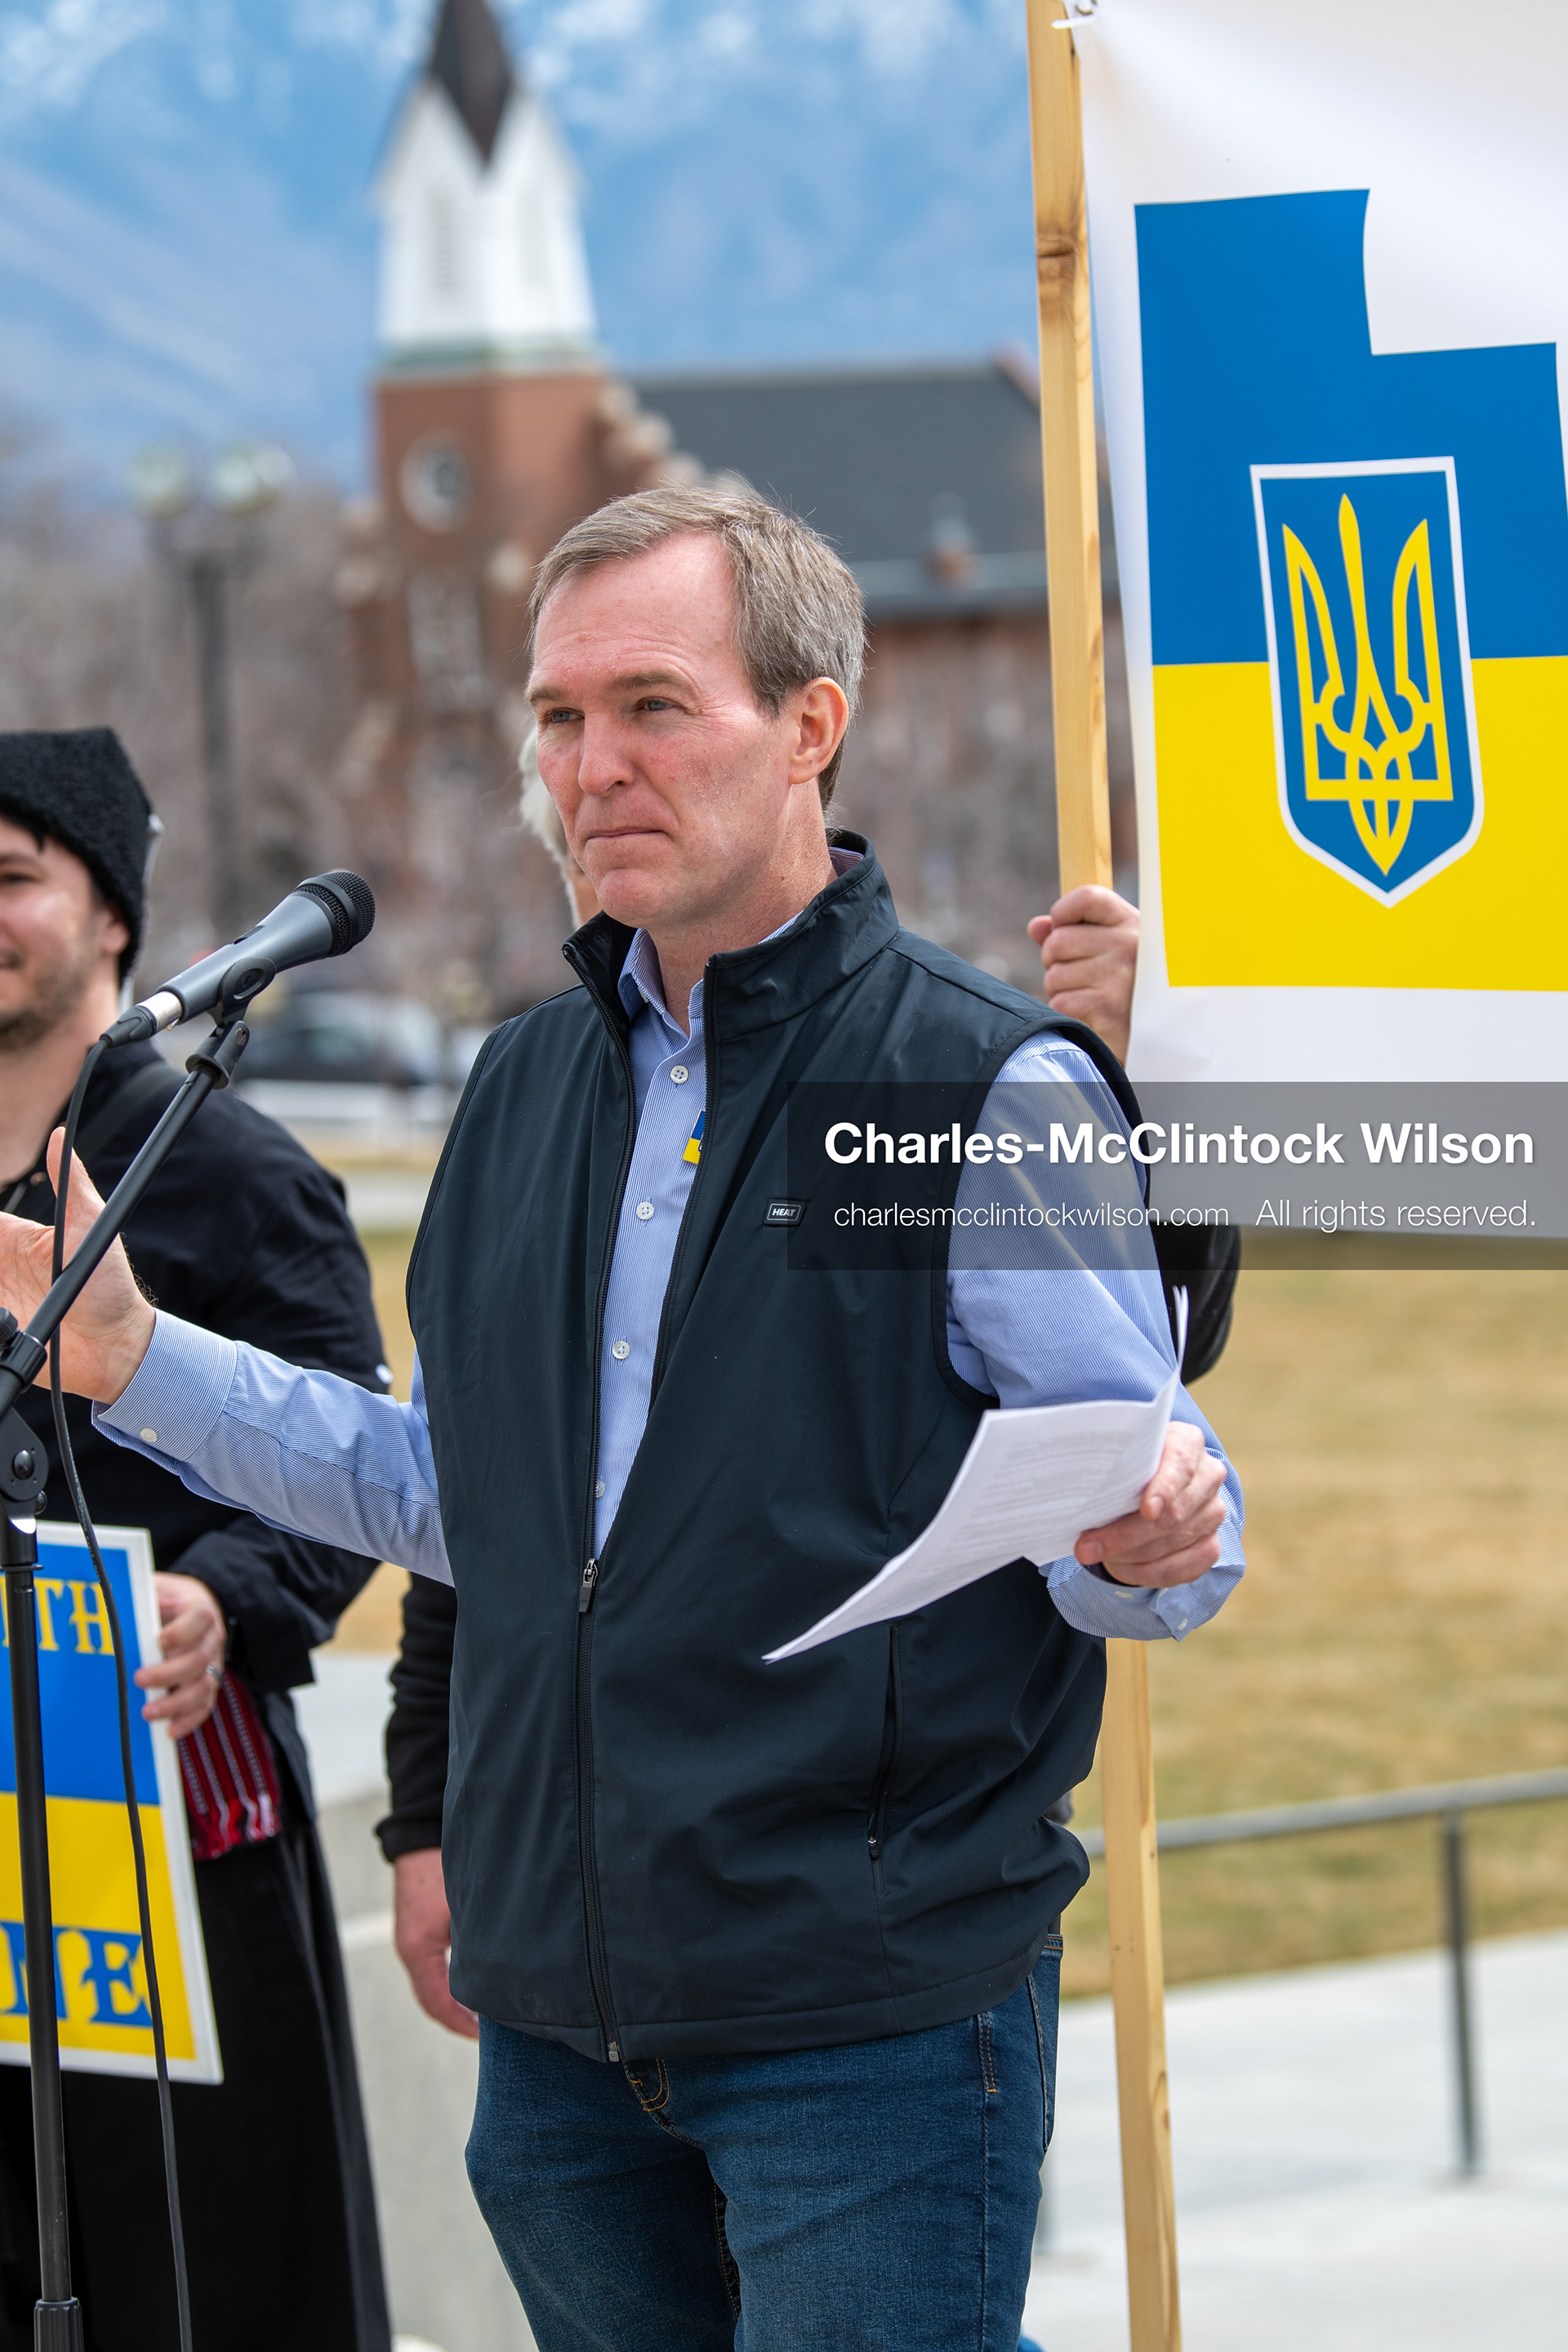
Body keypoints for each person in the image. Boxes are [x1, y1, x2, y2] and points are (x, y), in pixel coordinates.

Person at [2, 490, 1245, 2352]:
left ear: (809, 726)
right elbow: (451, 1503)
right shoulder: (517, 1091)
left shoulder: (970, 1082)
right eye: (560, 718)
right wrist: (137, 1357)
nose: (593, 767)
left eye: (654, 707)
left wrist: (1156, 1540)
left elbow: (1145, 1526)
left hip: (865, 2022)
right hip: (565, 2041)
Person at [0, 732, 393, 2352]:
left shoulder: (232, 1172)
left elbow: (354, 1457)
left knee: (206, 2267)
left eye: (14, 878)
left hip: (173, 1798)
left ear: (113, 920)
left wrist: (221, 1595)